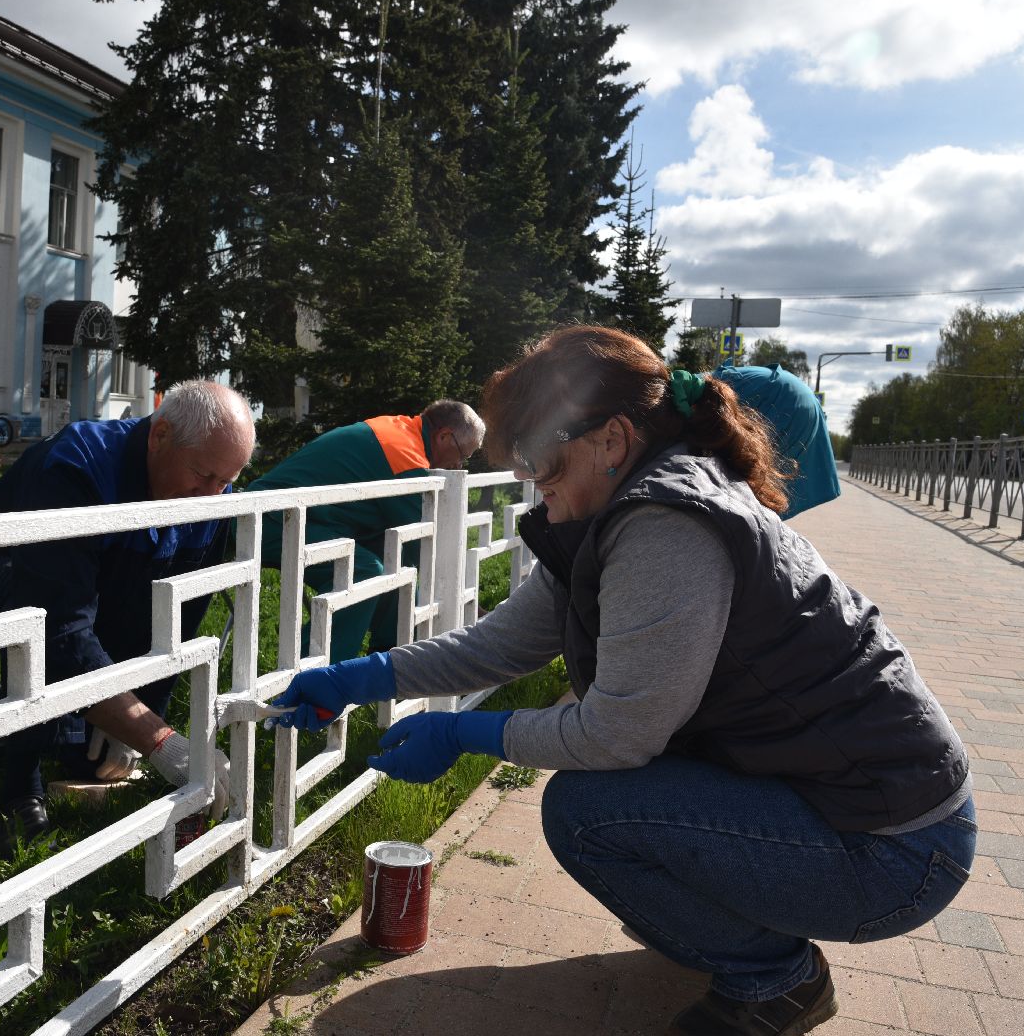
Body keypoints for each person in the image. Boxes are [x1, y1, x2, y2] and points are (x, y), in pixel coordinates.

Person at [274, 327, 973, 1036]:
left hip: (892, 849)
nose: (530, 478)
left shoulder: (666, 525)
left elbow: (616, 734)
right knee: (624, 798)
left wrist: (466, 732)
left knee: (589, 811)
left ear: (610, 440)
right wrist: (363, 677)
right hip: (842, 801)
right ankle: (734, 932)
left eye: (541, 456)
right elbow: (503, 645)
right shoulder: (622, 506)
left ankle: (776, 982)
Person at [0, 380, 254, 848]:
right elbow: (58, 625)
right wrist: (160, 740)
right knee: (35, 629)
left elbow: (173, 617)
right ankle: (20, 785)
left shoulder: (210, 488)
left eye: (226, 481)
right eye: (202, 475)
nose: (211, 495)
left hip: (89, 577)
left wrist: (140, 718)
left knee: (87, 753)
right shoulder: (78, 465)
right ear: (160, 436)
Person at [246, 400, 484, 663]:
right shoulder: (405, 458)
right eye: (464, 454)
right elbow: (431, 553)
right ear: (444, 436)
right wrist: (472, 612)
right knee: (362, 571)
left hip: (305, 517)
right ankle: (311, 681)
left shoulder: (402, 433)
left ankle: (387, 668)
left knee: (397, 565)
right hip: (269, 520)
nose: (460, 465)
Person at [712, 361, 840, 517]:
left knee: (750, 499)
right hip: (792, 395)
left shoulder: (682, 402)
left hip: (779, 402)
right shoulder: (686, 387)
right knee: (762, 495)